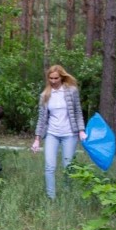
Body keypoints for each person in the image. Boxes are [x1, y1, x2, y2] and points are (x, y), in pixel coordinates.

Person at [30, 65, 87, 199]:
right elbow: (41, 119)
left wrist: (81, 130)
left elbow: (78, 112)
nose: (53, 81)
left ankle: (67, 194)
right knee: (50, 166)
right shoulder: (44, 95)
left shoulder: (72, 91)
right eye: (51, 78)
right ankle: (51, 197)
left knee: (68, 166)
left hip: (69, 134)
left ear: (61, 77)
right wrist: (37, 139)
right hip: (52, 134)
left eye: (56, 78)